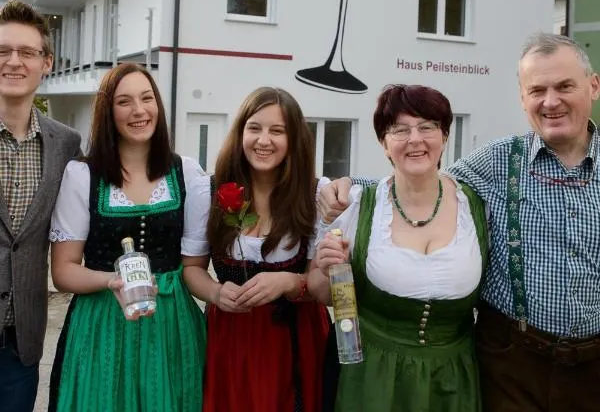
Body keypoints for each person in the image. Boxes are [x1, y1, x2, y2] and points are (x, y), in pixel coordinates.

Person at [321, 33, 600, 412]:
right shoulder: (498, 160)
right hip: (512, 362)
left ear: (593, 86)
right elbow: (423, 180)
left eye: (564, 86)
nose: (550, 101)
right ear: (523, 99)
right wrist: (350, 186)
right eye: (537, 90)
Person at [309, 84, 488, 412]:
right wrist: (324, 266)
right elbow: (322, 293)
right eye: (400, 130)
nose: (415, 139)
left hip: (452, 378)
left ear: (445, 136)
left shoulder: (475, 205)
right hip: (372, 376)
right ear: (383, 143)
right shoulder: (358, 207)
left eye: (427, 127)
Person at [48, 63, 206, 412]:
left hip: (171, 325)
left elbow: (195, 266)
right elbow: (63, 271)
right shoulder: (83, 176)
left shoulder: (187, 173)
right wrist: (112, 281)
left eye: (147, 98)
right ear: (108, 111)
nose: (139, 110)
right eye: (125, 102)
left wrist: (225, 295)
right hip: (102, 323)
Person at [182, 86, 330, 412]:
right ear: (240, 133)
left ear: (294, 140)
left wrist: (293, 282)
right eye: (255, 128)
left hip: (296, 338)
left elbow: (326, 283)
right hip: (231, 337)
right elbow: (192, 269)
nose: (264, 140)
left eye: (277, 131)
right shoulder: (206, 190)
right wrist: (216, 293)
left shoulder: (317, 193)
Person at [0, 0, 81, 412]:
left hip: (22, 344)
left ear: (46, 62)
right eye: (3, 51)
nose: (14, 62)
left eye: (27, 52)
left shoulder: (66, 144)